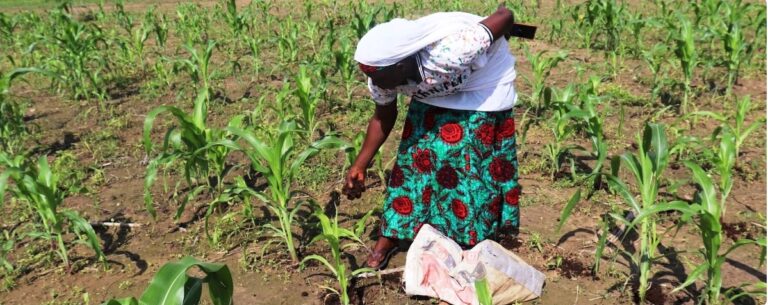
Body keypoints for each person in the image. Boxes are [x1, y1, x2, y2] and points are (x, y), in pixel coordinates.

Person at [342, 5, 522, 269]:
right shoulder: (381, 74)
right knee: (413, 161)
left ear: (401, 65)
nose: (375, 83)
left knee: (465, 165)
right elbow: (383, 116)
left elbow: (505, 15)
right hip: (434, 89)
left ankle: (466, 244)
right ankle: (392, 234)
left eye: (378, 77)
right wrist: (360, 164)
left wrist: (498, 31)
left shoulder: (453, 51)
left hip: (482, 85)